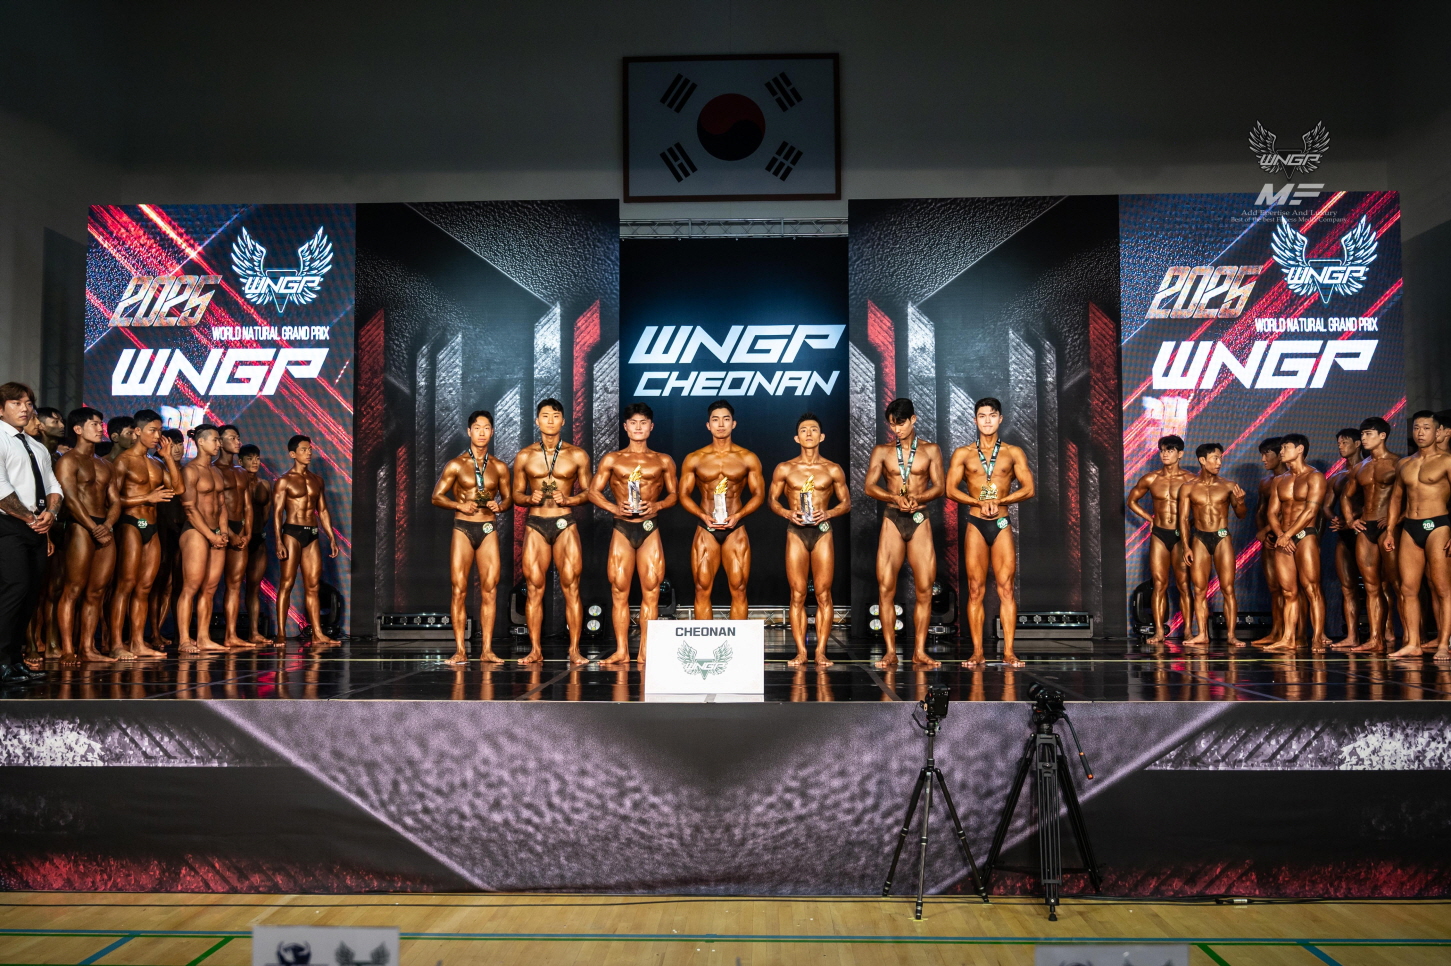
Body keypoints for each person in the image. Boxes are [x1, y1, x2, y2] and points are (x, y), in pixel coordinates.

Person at [946, 397, 1037, 668]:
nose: (987, 420)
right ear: (975, 420)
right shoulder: (963, 453)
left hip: (1000, 523)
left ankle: (1009, 652)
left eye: (992, 415)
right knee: (975, 589)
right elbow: (949, 489)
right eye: (982, 416)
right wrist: (978, 502)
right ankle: (977, 652)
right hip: (976, 523)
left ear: (1000, 419)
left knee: (1006, 588)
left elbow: (1029, 488)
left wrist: (1000, 501)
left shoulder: (1012, 452)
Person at [588, 402, 679, 665]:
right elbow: (593, 492)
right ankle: (622, 651)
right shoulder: (612, 459)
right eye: (633, 423)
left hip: (649, 527)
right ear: (626, 427)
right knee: (619, 590)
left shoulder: (663, 460)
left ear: (651, 427)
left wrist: (658, 505)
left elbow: (674, 495)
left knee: (651, 590)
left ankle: (645, 651)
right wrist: (614, 507)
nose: (638, 427)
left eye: (643, 423)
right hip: (622, 527)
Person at [864, 397, 945, 668]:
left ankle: (919, 651)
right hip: (893, 518)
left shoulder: (931, 450)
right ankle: (890, 652)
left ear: (913, 419)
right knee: (886, 587)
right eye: (892, 424)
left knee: (924, 588)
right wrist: (895, 498)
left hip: (920, 518)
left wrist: (917, 498)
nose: (896, 429)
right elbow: (869, 486)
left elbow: (940, 487)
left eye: (901, 423)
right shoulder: (882, 451)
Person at [512, 398, 592, 664]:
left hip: (564, 522)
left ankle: (575, 650)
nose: (550, 420)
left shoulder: (577, 455)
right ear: (537, 421)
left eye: (555, 416)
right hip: (536, 523)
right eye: (545, 416)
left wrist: (570, 499)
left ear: (563, 421)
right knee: (534, 588)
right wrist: (528, 498)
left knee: (571, 587)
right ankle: (535, 650)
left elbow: (589, 492)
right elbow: (515, 494)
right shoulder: (524, 456)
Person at [767, 412, 849, 667]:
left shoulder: (832, 469)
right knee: (798, 593)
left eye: (813, 429)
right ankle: (801, 651)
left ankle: (821, 651)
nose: (809, 433)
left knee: (824, 593)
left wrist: (829, 512)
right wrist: (787, 512)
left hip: (822, 530)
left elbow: (846, 503)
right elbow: (772, 500)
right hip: (796, 531)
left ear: (822, 436)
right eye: (804, 430)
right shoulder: (785, 468)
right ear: (797, 438)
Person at [431, 410, 513, 666]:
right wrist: (459, 505)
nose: (481, 432)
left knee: (490, 589)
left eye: (486, 428)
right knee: (459, 589)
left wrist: (500, 506)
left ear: (492, 432)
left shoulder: (499, 467)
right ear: (469, 431)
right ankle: (460, 650)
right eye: (477, 428)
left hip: (488, 528)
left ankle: (487, 650)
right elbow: (436, 497)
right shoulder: (456, 464)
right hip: (463, 528)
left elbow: (509, 498)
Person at [678, 400, 766, 622]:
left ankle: (737, 643)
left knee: (739, 586)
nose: (720, 424)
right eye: (715, 420)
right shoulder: (695, 458)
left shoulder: (747, 457)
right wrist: (702, 515)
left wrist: (739, 515)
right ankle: (705, 640)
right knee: (701, 587)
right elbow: (683, 494)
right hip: (706, 527)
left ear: (733, 424)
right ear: (708, 425)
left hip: (735, 527)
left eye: (726, 419)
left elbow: (759, 494)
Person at [107, 409, 181, 660]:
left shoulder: (157, 463)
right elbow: (113, 500)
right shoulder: (123, 461)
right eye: (152, 430)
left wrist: (168, 458)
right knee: (125, 584)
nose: (157, 435)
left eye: (160, 430)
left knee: (145, 587)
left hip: (152, 526)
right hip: (130, 523)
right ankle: (117, 644)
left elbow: (179, 488)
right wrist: (146, 497)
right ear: (138, 431)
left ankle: (137, 642)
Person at [0, 383, 59, 685]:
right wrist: (30, 518)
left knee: (31, 593)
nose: (25, 408)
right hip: (8, 526)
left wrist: (51, 514)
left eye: (28, 403)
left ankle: (14, 660)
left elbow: (53, 485)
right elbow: (1, 490)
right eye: (16, 403)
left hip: (37, 525)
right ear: (1, 409)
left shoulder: (36, 446)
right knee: (15, 589)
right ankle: (1, 661)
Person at [1384, 411, 1451, 663]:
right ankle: (1413, 643)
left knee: (1442, 588)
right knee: (1408, 588)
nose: (1420, 433)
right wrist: (1390, 530)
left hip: (1438, 525)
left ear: (1437, 431)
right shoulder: (1404, 464)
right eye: (1416, 428)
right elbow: (1396, 499)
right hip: (1411, 527)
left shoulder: (1447, 461)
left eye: (1426, 428)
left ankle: (1443, 644)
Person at [54, 407, 119, 663]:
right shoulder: (68, 460)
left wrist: (107, 525)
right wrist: (93, 527)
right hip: (81, 526)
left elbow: (115, 501)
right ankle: (67, 649)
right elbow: (70, 499)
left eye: (101, 423)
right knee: (73, 589)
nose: (100, 428)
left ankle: (88, 648)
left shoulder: (105, 465)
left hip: (105, 526)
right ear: (78, 429)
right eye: (94, 424)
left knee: (97, 592)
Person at [272, 434, 341, 646]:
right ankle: (281, 633)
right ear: (293, 454)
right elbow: (277, 513)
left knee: (313, 586)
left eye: (310, 449)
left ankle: (317, 634)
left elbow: (323, 510)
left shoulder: (317, 480)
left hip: (312, 534)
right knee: (287, 583)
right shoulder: (284, 481)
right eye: (303, 449)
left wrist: (331, 537)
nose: (308, 452)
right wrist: (278, 541)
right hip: (291, 533)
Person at [1263, 434, 1329, 652]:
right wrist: (1281, 534)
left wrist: (1288, 534)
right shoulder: (1279, 481)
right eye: (1281, 448)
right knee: (1288, 592)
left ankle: (1317, 637)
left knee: (1311, 589)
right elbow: (1272, 513)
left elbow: (1311, 510)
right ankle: (1288, 638)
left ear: (1300, 449)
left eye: (1286, 447)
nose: (1281, 452)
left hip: (1304, 536)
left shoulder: (1315, 477)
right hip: (1284, 537)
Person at [1126, 435, 1194, 643]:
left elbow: (1204, 506)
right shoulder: (1151, 478)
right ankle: (1158, 632)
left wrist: (1190, 527)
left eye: (1170, 450)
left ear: (1180, 454)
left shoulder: (1190, 479)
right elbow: (1131, 501)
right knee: (1159, 584)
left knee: (1183, 585)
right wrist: (1150, 519)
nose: (1165, 454)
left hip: (1180, 536)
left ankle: (1188, 631)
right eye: (1162, 450)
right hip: (1159, 534)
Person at [1341, 416, 1401, 653]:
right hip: (1367, 527)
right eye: (1362, 434)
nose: (1364, 438)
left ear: (1382, 436)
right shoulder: (1360, 467)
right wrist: (1350, 520)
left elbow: (1410, 495)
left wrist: (1397, 519)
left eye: (1368, 434)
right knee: (1371, 586)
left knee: (1399, 585)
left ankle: (1410, 639)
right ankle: (1376, 639)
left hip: (1389, 527)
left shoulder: (1398, 463)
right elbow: (1346, 496)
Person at [1178, 443, 1247, 647]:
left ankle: (1231, 635)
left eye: (1220, 458)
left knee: (1228, 588)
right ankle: (1202, 634)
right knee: (1199, 590)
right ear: (1202, 460)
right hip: (1199, 538)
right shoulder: (1188, 487)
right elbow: (1183, 519)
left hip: (1222, 537)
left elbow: (1241, 515)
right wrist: (1186, 546)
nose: (1219, 462)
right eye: (1215, 458)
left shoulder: (1228, 485)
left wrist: (1241, 502)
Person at [175, 425, 230, 653]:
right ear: (200, 442)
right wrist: (209, 535)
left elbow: (222, 505)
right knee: (191, 586)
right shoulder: (190, 470)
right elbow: (189, 508)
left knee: (210, 588)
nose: (218, 444)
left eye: (219, 440)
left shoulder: (216, 471)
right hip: (196, 531)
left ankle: (204, 637)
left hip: (216, 532)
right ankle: (184, 640)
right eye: (215, 440)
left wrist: (223, 532)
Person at [214, 426, 255, 648]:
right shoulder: (214, 469)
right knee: (208, 584)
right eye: (232, 438)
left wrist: (246, 533)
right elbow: (214, 505)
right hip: (220, 529)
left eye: (238, 437)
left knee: (235, 584)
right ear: (220, 442)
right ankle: (202, 635)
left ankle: (231, 634)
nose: (238, 441)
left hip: (240, 529)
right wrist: (228, 532)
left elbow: (248, 506)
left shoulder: (241, 472)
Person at [1324, 429, 1364, 648]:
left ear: (1358, 443)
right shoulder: (1338, 477)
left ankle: (1386, 635)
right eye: (1338, 443)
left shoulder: (1369, 469)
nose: (1340, 446)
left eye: (1345, 442)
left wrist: (1353, 517)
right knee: (1347, 587)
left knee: (1380, 585)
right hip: (1345, 534)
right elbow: (1326, 507)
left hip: (1366, 531)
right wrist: (1337, 519)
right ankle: (1351, 635)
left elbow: (1378, 501)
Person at [1250, 437, 1292, 645]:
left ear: (1279, 455)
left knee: (1291, 589)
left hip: (1287, 538)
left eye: (1267, 454)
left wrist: (1269, 530)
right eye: (1262, 454)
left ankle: (1296, 634)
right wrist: (1264, 533)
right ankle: (1276, 631)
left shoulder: (1291, 479)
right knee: (1274, 588)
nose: (1263, 459)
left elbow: (1288, 512)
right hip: (1269, 540)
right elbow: (1261, 511)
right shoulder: (1265, 482)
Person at [148, 428, 187, 648]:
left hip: (182, 531)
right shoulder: (157, 468)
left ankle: (173, 633)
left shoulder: (186, 470)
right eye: (172, 445)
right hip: (161, 530)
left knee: (175, 584)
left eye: (180, 444)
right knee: (158, 583)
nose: (177, 449)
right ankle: (153, 633)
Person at [238, 444, 272, 643]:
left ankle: (253, 632)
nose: (255, 462)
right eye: (250, 458)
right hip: (238, 540)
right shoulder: (236, 483)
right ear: (240, 461)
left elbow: (266, 514)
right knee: (232, 587)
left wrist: (256, 532)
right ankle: (230, 634)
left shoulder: (264, 484)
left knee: (254, 588)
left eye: (257, 458)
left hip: (258, 539)